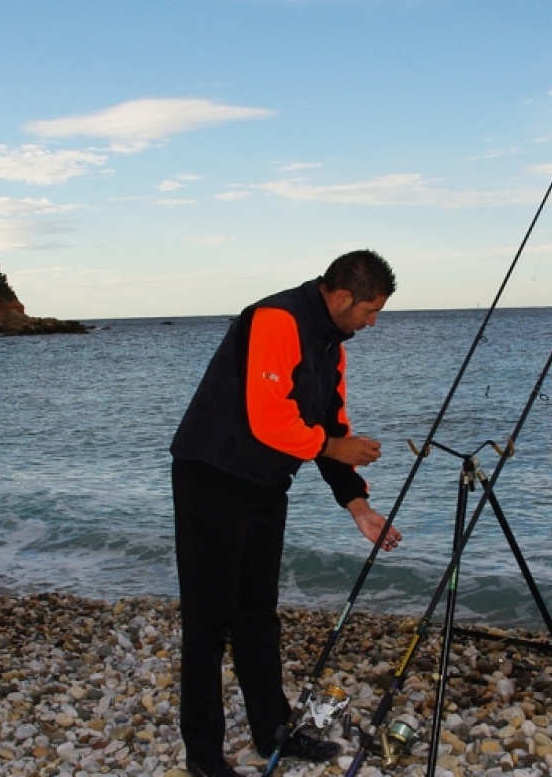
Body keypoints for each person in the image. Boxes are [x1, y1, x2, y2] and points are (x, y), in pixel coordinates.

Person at [170, 250, 402, 777]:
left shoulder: (330, 343)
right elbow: (267, 418)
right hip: (211, 476)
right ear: (342, 296)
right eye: (370, 310)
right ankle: (204, 755)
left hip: (264, 484)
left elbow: (330, 421)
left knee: (257, 614)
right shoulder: (276, 319)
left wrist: (357, 504)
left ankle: (272, 729)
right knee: (209, 622)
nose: (372, 322)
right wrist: (331, 448)